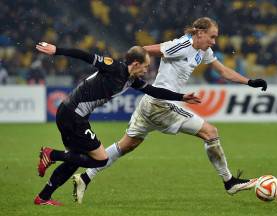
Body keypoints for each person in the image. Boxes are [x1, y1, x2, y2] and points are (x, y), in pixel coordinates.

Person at [73, 17, 268, 204]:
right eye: (212, 36)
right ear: (200, 33)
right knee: (210, 132)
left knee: (126, 145)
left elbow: (224, 71)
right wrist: (122, 70)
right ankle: (229, 182)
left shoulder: (202, 50)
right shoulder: (181, 45)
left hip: (149, 103)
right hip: (161, 106)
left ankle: (85, 177)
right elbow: (142, 50)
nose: (214, 41)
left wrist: (249, 81)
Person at [33, 42, 201, 206]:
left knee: (74, 160)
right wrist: (56, 50)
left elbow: (154, 91)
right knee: (100, 160)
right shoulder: (113, 67)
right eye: (145, 66)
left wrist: (182, 97)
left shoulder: (131, 79)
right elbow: (85, 55)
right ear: (135, 63)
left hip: (72, 115)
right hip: (73, 115)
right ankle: (51, 154)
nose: (147, 69)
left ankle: (43, 196)